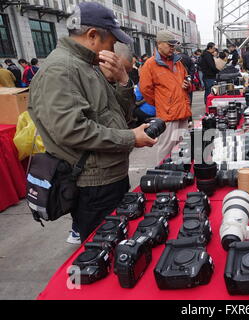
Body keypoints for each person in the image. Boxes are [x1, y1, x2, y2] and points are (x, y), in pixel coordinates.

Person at [28, 2, 157, 243]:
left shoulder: (87, 65)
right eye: (111, 42)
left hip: (108, 176)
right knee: (103, 249)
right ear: (93, 35)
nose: (114, 48)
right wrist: (129, 138)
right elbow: (72, 131)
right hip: (93, 184)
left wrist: (122, 81)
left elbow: (118, 115)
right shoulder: (62, 70)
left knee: (120, 241)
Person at [140, 30, 192, 167]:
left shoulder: (178, 63)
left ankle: (181, 174)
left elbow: (186, 80)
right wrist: (163, 103)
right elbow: (145, 90)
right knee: (166, 150)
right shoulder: (150, 65)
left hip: (182, 112)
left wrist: (187, 85)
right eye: (169, 45)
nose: (172, 48)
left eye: (173, 46)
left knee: (183, 147)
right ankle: (162, 174)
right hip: (167, 115)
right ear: (159, 44)